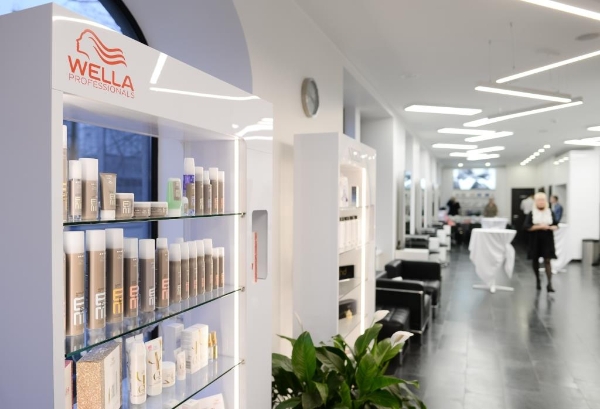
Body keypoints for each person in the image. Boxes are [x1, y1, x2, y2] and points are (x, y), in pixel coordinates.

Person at [524, 192, 558, 292]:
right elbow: (526, 226)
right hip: (535, 239)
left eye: (542, 200)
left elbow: (556, 224)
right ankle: (538, 280)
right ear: (536, 202)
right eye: (539, 200)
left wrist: (553, 227)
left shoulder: (550, 212)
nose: (541, 202)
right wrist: (539, 227)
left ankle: (549, 283)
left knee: (547, 260)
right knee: (535, 260)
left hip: (547, 239)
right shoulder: (532, 213)